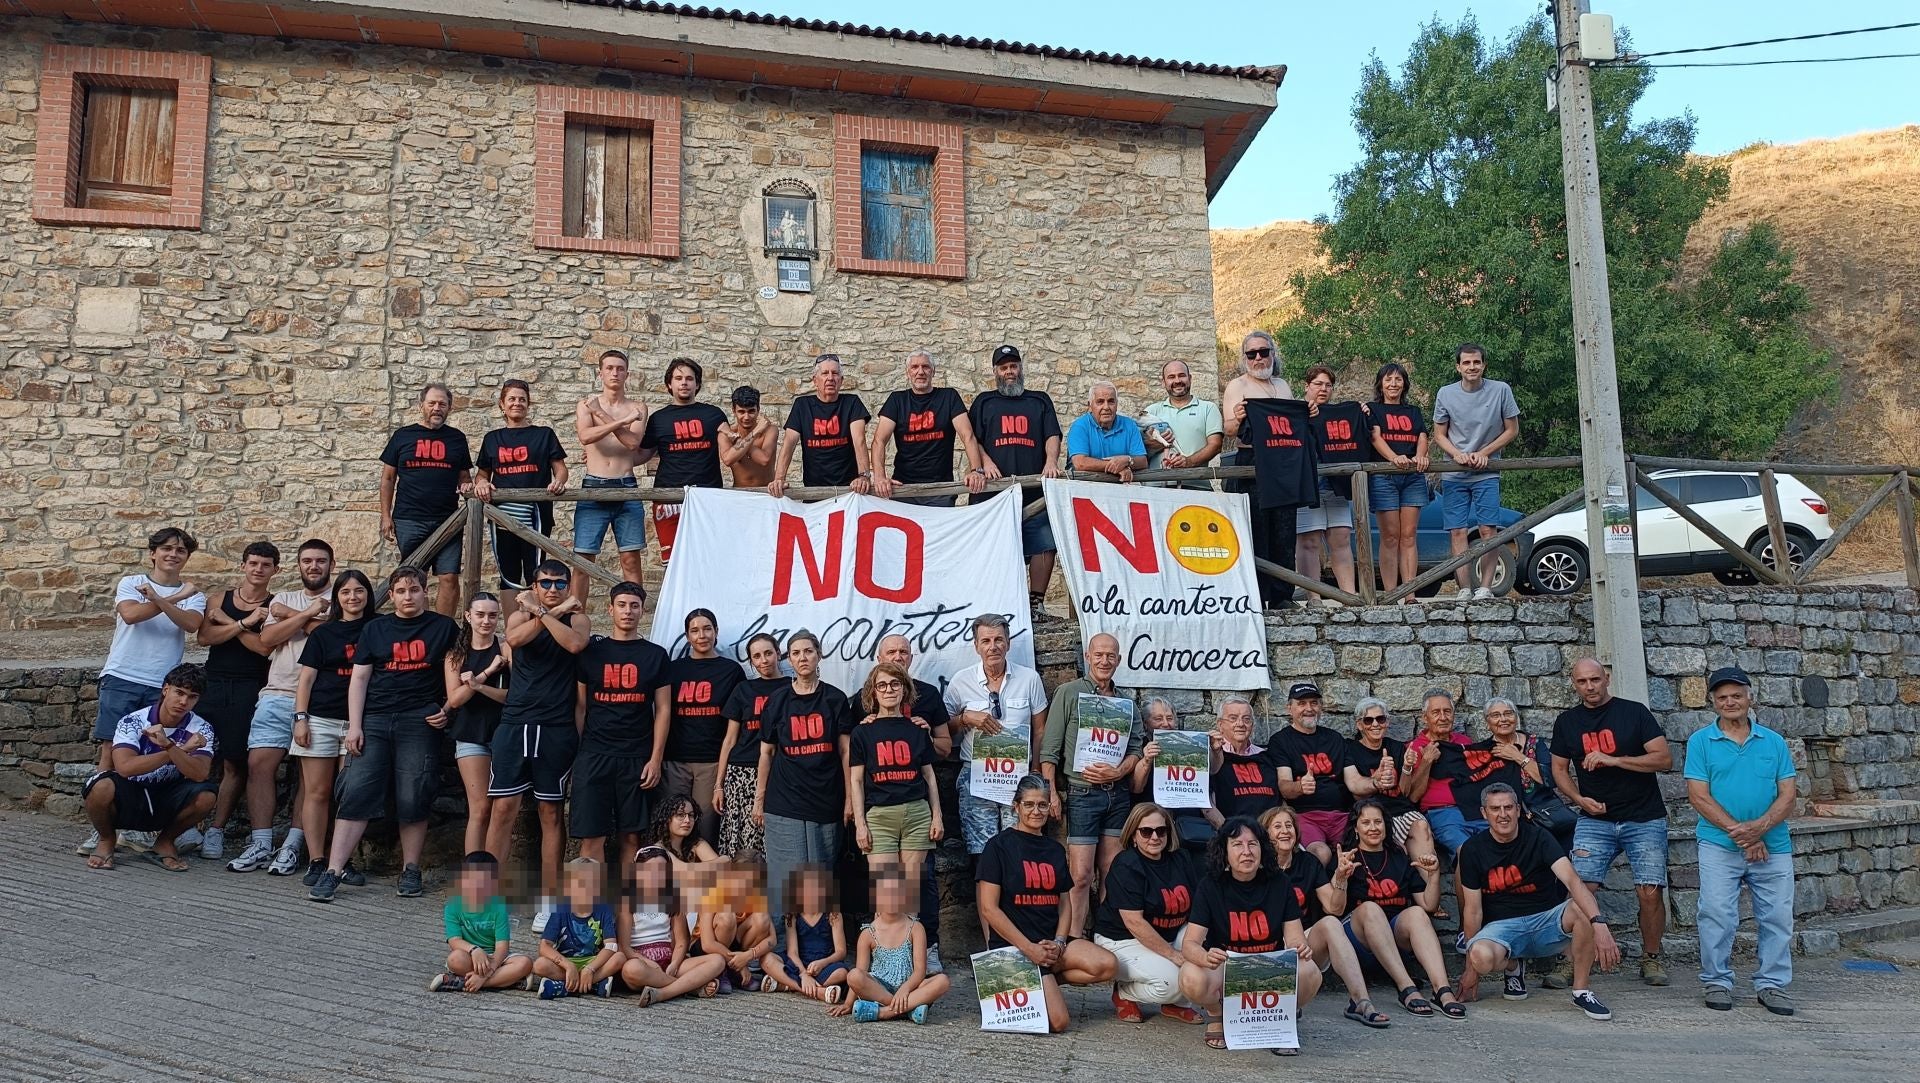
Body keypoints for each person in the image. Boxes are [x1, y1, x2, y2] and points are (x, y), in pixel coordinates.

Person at [311, 566, 459, 902]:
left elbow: (457, 671)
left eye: (415, 590)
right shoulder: (376, 629)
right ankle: (333, 871)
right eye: (401, 591)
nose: (408, 597)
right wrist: (355, 725)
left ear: (425, 591)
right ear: (391, 595)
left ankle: (410, 869)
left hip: (419, 722)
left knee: (414, 794)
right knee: (356, 791)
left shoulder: (443, 627)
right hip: (375, 720)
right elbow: (359, 678)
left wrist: (448, 709)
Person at [1550, 657, 1675, 987]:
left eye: (1595, 680)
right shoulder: (1567, 721)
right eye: (1582, 682)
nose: (1589, 687)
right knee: (1581, 889)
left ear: (1606, 679)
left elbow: (1663, 759)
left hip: (1644, 816)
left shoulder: (1634, 713)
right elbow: (1559, 769)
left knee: (1649, 890)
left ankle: (1651, 957)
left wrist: (1614, 759)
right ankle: (1571, 960)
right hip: (1595, 819)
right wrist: (1578, 800)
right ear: (1574, 684)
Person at [84, 526, 207, 861]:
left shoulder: (195, 595)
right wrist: (170, 598)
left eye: (180, 550)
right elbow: (131, 614)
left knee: (153, 752)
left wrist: (163, 599)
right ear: (153, 553)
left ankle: (141, 826)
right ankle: (102, 828)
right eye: (166, 548)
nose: (173, 554)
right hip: (122, 675)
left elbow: (191, 624)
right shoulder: (131, 582)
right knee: (111, 753)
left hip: (161, 685)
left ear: (186, 557)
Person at [1685, 666, 1799, 1016]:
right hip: (1719, 844)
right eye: (1722, 697)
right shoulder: (1701, 742)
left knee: (1778, 916)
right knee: (1716, 912)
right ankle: (1716, 980)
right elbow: (1698, 796)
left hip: (1773, 844)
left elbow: (1788, 795)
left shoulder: (1774, 742)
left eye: (1737, 695)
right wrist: (1744, 834)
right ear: (1713, 703)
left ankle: (1772, 984)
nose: (1730, 702)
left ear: (1750, 697)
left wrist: (1759, 830)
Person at [1455, 784, 1620, 1021]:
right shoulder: (1473, 849)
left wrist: (1599, 924)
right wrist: (1471, 970)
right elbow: (1472, 911)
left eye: (1509, 807)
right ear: (1484, 813)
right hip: (1502, 929)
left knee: (1581, 908)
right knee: (1480, 957)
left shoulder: (1539, 837)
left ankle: (1581, 991)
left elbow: (1573, 881)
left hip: (1545, 921)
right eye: (1495, 809)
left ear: (1518, 810)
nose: (1503, 814)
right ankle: (1513, 967)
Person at [484, 559, 590, 920]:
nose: (553, 589)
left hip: (556, 726)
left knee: (550, 812)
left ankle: (549, 899)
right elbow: (514, 639)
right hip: (516, 722)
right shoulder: (518, 615)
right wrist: (548, 612)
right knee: (502, 809)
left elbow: (575, 645)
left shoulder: (576, 617)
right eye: (545, 583)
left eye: (560, 584)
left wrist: (550, 613)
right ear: (534, 585)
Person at [976, 775, 1119, 1034]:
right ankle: (1018, 979)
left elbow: (1065, 903)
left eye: (1042, 804)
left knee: (1107, 965)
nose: (1036, 811)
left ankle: (1043, 978)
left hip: (1049, 942)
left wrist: (1060, 941)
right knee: (1058, 1022)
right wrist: (1029, 949)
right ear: (1016, 806)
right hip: (1015, 945)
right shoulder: (997, 846)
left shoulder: (1054, 849)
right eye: (1029, 804)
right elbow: (989, 908)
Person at [228, 538, 336, 876]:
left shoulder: (343, 597)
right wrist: (305, 613)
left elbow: (331, 637)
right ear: (299, 565)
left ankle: (292, 845)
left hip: (321, 698)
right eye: (307, 561)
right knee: (259, 764)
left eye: (320, 561)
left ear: (331, 564)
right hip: (276, 693)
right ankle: (260, 842)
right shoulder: (283, 598)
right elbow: (267, 640)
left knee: (310, 778)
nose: (314, 566)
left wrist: (290, 619)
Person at [1178, 815, 1322, 1053]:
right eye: (1237, 844)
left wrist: (1300, 947)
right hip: (1227, 968)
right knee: (1191, 975)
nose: (1246, 851)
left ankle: (1283, 1015)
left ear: (1262, 849)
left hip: (1269, 970)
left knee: (1310, 970)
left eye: (1252, 844)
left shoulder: (1280, 883)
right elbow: (1190, 944)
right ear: (1224, 851)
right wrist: (1205, 957)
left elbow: (1295, 938)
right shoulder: (1210, 885)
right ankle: (1217, 1014)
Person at [1040, 632, 1144, 938]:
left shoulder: (1126, 702)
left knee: (1112, 873)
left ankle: (1107, 936)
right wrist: (1052, 794)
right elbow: (1050, 749)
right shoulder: (1069, 692)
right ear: (1087, 657)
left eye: (1111, 656)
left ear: (1119, 660)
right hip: (1082, 794)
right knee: (1081, 875)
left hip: (1118, 796)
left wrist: (1119, 772)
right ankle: (1073, 939)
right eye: (1098, 655)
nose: (1104, 661)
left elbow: (1136, 748)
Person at [753, 630, 854, 923]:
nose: (802, 658)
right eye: (796, 653)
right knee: (786, 878)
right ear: (789, 659)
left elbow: (846, 753)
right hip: (784, 800)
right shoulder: (778, 700)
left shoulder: (835, 699)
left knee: (821, 876)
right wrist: (759, 800)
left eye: (808, 651)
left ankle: (820, 948)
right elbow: (766, 754)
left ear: (818, 654)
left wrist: (849, 799)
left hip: (826, 798)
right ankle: (782, 949)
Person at [1261, 806, 1389, 1029]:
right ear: (1265, 834)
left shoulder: (1307, 863)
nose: (1285, 831)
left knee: (1331, 923)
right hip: (1264, 948)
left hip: (1302, 945)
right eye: (1277, 826)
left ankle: (1361, 1001)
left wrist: (1340, 878)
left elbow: (1334, 907)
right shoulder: (1255, 866)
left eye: (1289, 825)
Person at [80, 662, 216, 872]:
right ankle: (107, 840)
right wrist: (180, 750)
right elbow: (125, 767)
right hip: (131, 792)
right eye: (179, 692)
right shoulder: (133, 721)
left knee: (206, 796)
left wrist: (170, 745)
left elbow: (199, 773)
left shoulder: (201, 727)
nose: (183, 702)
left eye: (192, 697)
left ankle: (165, 842)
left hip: (169, 793)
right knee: (100, 787)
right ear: (165, 689)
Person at [572, 582, 671, 867]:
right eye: (622, 605)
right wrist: (581, 753)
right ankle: (590, 907)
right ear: (610, 608)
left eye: (635, 606)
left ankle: (628, 909)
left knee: (633, 837)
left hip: (637, 757)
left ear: (643, 610)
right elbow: (581, 706)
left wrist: (655, 759)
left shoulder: (655, 655)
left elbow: (663, 709)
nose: (628, 611)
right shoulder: (591, 652)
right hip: (594, 755)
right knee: (591, 837)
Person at [873, 633, 954, 972]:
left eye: (904, 651)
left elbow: (945, 747)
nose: (898, 655)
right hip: (880, 804)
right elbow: (853, 753)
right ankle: (885, 949)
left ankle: (927, 946)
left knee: (921, 879)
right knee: (883, 882)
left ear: (912, 656)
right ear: (879, 657)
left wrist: (925, 734)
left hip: (917, 802)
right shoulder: (864, 699)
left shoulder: (928, 695)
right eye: (891, 651)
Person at [1341, 799, 1463, 1019]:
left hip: (1394, 942)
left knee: (1416, 913)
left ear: (1386, 826)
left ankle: (1442, 990)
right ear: (1356, 828)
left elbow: (1429, 905)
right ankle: (1406, 988)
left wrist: (1434, 875)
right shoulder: (1348, 858)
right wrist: (1340, 876)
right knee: (1371, 909)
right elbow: (1334, 908)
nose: (1373, 827)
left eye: (1378, 822)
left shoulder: (1398, 857)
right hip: (1359, 943)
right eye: (1366, 822)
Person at [194, 540, 278, 863]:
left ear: (275, 570)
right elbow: (204, 638)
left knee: (235, 762)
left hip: (249, 686)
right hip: (212, 681)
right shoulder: (219, 598)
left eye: (265, 565)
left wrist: (227, 624)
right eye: (253, 563)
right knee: (197, 754)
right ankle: (187, 824)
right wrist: (243, 623)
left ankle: (216, 828)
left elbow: (262, 648)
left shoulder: (274, 605)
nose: (258, 569)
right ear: (243, 565)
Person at [943, 614, 1050, 863]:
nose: (993, 646)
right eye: (986, 641)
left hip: (1019, 776)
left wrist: (1035, 769)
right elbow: (943, 730)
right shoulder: (961, 681)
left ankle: (1017, 902)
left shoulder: (1029, 678)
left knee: (1021, 850)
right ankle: (987, 903)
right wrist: (966, 718)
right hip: (977, 775)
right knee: (983, 854)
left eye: (999, 639)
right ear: (976, 646)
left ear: (1009, 643)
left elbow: (1040, 729)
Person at [290, 569, 373, 886]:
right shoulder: (324, 633)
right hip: (321, 718)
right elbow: (306, 679)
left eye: (359, 591)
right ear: (337, 598)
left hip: (359, 722)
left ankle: (342, 861)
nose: (353, 597)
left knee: (348, 794)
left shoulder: (378, 629)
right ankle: (316, 860)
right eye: (346, 592)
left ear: (367, 594)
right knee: (317, 792)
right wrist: (300, 718)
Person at [1092, 802, 1207, 1024]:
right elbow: (1134, 923)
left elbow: (1197, 906)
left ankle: (1177, 1005)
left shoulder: (1181, 858)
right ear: (1133, 835)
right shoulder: (1127, 865)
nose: (1154, 837)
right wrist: (1175, 957)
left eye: (1161, 830)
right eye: (1146, 831)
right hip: (1123, 940)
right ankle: (1125, 993)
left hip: (1168, 934)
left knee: (1201, 963)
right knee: (1175, 982)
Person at [968, 344, 1063, 607]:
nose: (1010, 371)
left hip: (1033, 491)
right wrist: (984, 462)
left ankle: (1036, 603)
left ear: (1020, 368)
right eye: (1004, 367)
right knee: (992, 548)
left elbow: (1052, 435)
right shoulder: (984, 402)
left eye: (1013, 366)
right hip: (992, 493)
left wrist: (1051, 462)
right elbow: (972, 439)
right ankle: (998, 602)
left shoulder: (1039, 400)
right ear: (995, 371)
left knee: (1044, 543)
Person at [848, 662, 943, 906]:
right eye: (882, 685)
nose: (888, 690)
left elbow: (929, 776)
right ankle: (886, 945)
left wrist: (937, 816)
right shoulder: (862, 732)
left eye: (895, 684)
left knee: (910, 896)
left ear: (904, 689)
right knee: (886, 895)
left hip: (916, 814)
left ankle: (912, 945)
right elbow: (856, 781)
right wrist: (860, 825)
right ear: (873, 692)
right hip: (879, 817)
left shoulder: (917, 729)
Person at [1431, 343, 1520, 600]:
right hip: (1455, 472)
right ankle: (1465, 589)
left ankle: (1485, 587)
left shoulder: (1501, 390)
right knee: (1457, 531)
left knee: (1487, 531)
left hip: (1487, 471)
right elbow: (1439, 434)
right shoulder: (1445, 393)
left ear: (1484, 365)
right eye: (1467, 363)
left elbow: (1512, 430)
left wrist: (1485, 453)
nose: (1472, 367)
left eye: (1477, 362)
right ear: (1458, 367)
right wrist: (1456, 454)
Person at [473, 379, 568, 615]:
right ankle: (513, 628)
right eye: (512, 399)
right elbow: (482, 474)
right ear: (502, 405)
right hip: (502, 517)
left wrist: (559, 481)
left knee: (536, 571)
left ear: (528, 404)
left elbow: (560, 469)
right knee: (508, 574)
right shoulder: (492, 438)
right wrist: (482, 482)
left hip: (536, 515)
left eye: (522, 399)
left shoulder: (544, 434)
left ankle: (537, 623)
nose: (517, 403)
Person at [379, 383, 473, 617]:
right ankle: (421, 628)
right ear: (422, 405)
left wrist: (470, 487)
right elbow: (388, 478)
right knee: (412, 579)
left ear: (450, 407)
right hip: (409, 519)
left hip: (448, 520)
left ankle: (443, 630)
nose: (437, 408)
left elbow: (464, 478)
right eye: (432, 403)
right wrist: (385, 516)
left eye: (442, 404)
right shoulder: (403, 436)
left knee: (449, 577)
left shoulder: (457, 438)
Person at [1220, 330, 1295, 609]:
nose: (1259, 358)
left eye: (1264, 352)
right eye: (1252, 354)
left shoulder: (1284, 386)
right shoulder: (1236, 387)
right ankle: (1256, 594)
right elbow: (1228, 430)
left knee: (1285, 529)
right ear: (1245, 358)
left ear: (1273, 353)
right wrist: (1237, 418)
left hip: (1283, 462)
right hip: (1251, 462)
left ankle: (1282, 595)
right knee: (1257, 528)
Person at [571, 348, 650, 607]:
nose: (614, 372)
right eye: (609, 368)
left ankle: (635, 620)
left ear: (627, 373)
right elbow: (586, 437)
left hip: (626, 486)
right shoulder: (585, 404)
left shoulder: (637, 408)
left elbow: (631, 443)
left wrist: (605, 417)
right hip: (594, 485)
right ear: (600, 373)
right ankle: (574, 620)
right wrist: (622, 421)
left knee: (630, 559)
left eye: (619, 368)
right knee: (582, 561)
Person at [662, 608, 745, 845]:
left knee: (705, 826)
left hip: (712, 761)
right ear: (687, 636)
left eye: (707, 629)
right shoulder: (674, 669)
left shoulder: (731, 671)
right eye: (695, 630)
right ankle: (675, 878)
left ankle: (704, 879)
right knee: (674, 825)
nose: (702, 635)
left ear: (716, 632)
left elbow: (736, 723)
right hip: (675, 759)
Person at [639, 357, 728, 565]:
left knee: (709, 559)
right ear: (669, 384)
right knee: (672, 564)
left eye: (689, 378)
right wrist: (607, 452)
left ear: (697, 384)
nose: (684, 382)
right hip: (668, 498)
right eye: (678, 378)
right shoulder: (658, 419)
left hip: (708, 498)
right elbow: (642, 455)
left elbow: (730, 452)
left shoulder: (714, 414)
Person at [833, 868, 951, 1023]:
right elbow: (861, 971)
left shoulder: (915, 928)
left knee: (942, 981)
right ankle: (908, 1009)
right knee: (853, 976)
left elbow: (920, 971)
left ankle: (884, 1013)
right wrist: (848, 1004)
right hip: (879, 990)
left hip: (910, 987)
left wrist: (905, 989)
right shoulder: (868, 933)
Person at [871, 349, 983, 505]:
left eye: (926, 367)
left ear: (933, 371)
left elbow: (967, 435)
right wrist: (879, 477)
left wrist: (976, 471)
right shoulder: (897, 400)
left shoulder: (949, 397)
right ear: (908, 373)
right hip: (903, 489)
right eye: (915, 367)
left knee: (942, 530)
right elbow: (879, 441)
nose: (920, 372)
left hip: (940, 490)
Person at [443, 593, 509, 859]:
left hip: (504, 732)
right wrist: (487, 673)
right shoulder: (455, 656)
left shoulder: (506, 649)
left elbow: (511, 697)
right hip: (471, 735)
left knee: (501, 809)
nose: (486, 621)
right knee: (480, 808)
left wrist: (477, 686)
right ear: (468, 617)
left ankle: (496, 876)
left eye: (492, 615)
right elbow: (455, 700)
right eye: (480, 615)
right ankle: (475, 879)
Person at [617, 845, 727, 1004]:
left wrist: (675, 963)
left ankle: (663, 993)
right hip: (643, 963)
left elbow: (682, 941)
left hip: (669, 959)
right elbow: (624, 947)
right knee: (630, 969)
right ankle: (691, 988)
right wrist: (648, 963)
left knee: (717, 961)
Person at [1342, 696, 1438, 867]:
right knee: (1399, 851)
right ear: (1359, 725)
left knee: (1422, 827)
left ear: (1387, 722)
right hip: (1375, 813)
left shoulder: (1396, 747)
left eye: (1380, 719)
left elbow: (1405, 792)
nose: (1375, 724)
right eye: (1368, 720)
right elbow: (1355, 789)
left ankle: (1429, 884)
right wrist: (1376, 780)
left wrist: (1407, 768)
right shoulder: (1350, 748)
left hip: (1402, 810)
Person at [1267, 682, 1355, 864]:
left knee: (1362, 850)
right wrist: (1300, 786)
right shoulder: (1281, 741)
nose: (1309, 708)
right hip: (1305, 816)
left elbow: (1354, 781)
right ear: (1289, 708)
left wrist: (1376, 781)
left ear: (1320, 707)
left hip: (1340, 815)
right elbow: (1284, 786)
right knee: (1320, 853)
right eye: (1301, 703)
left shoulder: (1334, 738)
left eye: (1314, 703)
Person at [714, 632, 783, 859]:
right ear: (751, 662)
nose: (763, 660)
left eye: (768, 653)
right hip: (740, 773)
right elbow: (730, 739)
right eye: (757, 656)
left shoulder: (791, 689)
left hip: (777, 774)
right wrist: (719, 785)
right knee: (739, 838)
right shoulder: (744, 690)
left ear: (778, 654)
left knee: (770, 839)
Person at [1295, 366, 1361, 604]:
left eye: (1328, 385)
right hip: (1306, 486)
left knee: (1341, 538)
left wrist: (1363, 413)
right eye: (1318, 384)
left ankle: (1349, 597)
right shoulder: (1294, 412)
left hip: (1336, 485)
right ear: (1307, 386)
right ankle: (1314, 598)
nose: (1323, 389)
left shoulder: (1338, 414)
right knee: (1309, 541)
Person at [1366, 362, 1430, 598]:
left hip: (1412, 477)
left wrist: (1421, 456)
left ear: (1404, 384)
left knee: (1409, 535)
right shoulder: (1372, 409)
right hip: (1384, 476)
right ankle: (1392, 593)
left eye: (1398, 379)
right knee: (1390, 536)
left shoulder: (1413, 411)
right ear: (1380, 384)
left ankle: (1410, 593)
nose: (1393, 384)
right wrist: (1394, 458)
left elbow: (1422, 436)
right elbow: (1375, 437)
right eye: (1388, 379)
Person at [431, 851, 535, 993]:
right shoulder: (453, 907)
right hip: (470, 956)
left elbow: (502, 947)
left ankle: (463, 982)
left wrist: (485, 975)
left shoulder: (499, 907)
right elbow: (454, 940)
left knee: (525, 963)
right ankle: (508, 981)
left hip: (495, 958)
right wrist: (474, 949)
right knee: (454, 959)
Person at [770, 353, 871, 497]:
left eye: (835, 373)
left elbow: (859, 440)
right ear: (815, 380)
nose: (830, 378)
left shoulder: (852, 403)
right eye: (825, 373)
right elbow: (789, 443)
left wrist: (864, 476)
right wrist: (779, 479)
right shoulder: (802, 406)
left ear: (841, 380)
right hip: (814, 491)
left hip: (849, 491)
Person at [531, 857, 622, 999]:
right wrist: (568, 965)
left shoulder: (604, 909)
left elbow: (611, 946)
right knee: (539, 965)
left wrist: (590, 968)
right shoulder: (561, 909)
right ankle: (593, 984)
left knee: (619, 958)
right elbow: (544, 947)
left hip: (593, 961)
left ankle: (565, 987)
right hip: (565, 961)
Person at [761, 865, 850, 1003]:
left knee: (842, 973)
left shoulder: (833, 914)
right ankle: (818, 991)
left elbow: (841, 951)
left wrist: (822, 963)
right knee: (766, 959)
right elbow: (792, 952)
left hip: (823, 964)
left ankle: (787, 985)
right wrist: (803, 974)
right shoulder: (793, 916)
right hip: (798, 964)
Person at [1405, 688, 1476, 856]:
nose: (1443, 717)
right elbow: (1413, 797)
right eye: (1436, 712)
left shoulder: (1465, 742)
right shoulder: (1414, 748)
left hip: (1473, 811)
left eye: (1447, 711)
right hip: (1442, 813)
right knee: (1467, 853)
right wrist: (1427, 762)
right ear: (1425, 717)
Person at [1133, 696, 1212, 845]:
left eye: (1170, 718)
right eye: (1158, 719)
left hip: (1189, 828)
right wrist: (1146, 760)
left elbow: (1206, 791)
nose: (1165, 723)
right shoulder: (1139, 747)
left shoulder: (1190, 745)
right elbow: (1136, 788)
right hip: (1153, 829)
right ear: (1145, 723)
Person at [692, 858, 776, 995]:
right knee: (727, 916)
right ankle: (723, 971)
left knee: (762, 919)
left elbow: (772, 940)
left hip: (735, 948)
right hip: (705, 948)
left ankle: (732, 972)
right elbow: (707, 944)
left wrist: (748, 956)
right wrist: (738, 964)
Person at [1198, 695, 1278, 836]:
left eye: (1246, 719)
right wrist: (1231, 833)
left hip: (1270, 834)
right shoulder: (1210, 756)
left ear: (1252, 725)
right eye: (1233, 718)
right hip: (1233, 834)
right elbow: (1207, 806)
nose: (1240, 724)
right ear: (1220, 724)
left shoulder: (1266, 757)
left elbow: (1280, 799)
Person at [1142, 359, 1224, 488]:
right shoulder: (1150, 411)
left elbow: (1215, 445)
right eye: (1171, 377)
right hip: (1156, 488)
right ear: (1163, 382)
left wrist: (1188, 462)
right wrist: (1154, 444)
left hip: (1196, 486)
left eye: (1181, 375)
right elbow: (1137, 449)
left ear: (1190, 378)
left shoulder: (1208, 408)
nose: (1177, 381)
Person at [1066, 381, 1148, 483]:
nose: (1106, 407)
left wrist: (1127, 460)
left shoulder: (1129, 425)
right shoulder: (1080, 426)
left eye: (1111, 401)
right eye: (1100, 402)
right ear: (1090, 406)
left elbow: (1143, 461)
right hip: (1086, 489)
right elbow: (1080, 463)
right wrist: (1118, 466)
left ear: (1117, 404)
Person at [719, 385, 777, 489]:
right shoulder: (726, 434)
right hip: (739, 493)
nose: (746, 417)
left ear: (758, 409)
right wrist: (755, 432)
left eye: (751, 411)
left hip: (767, 493)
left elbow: (764, 459)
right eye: (741, 412)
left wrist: (736, 439)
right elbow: (728, 460)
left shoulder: (770, 430)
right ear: (733, 410)